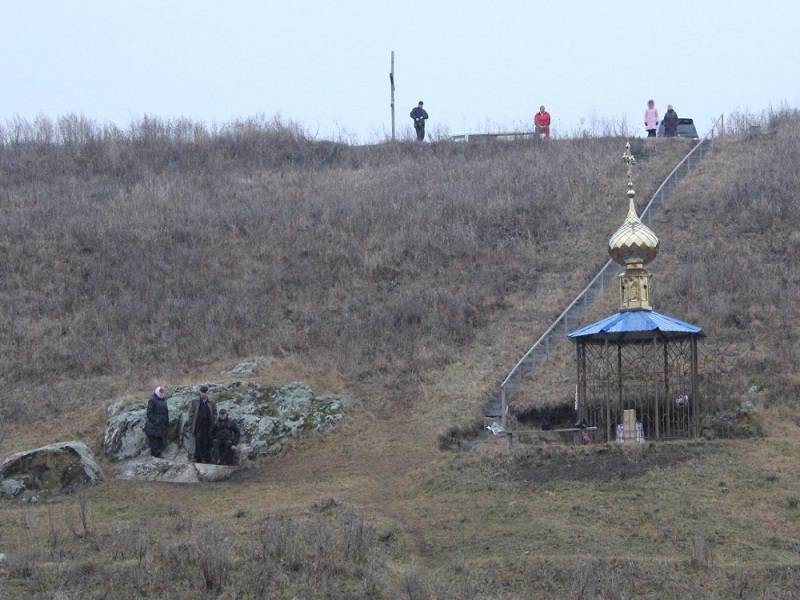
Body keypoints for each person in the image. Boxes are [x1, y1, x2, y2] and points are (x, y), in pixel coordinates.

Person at [186, 385, 217, 463]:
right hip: (198, 424)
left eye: (205, 393)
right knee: (198, 440)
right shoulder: (195, 402)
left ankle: (206, 458)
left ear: (207, 393)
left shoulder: (211, 402)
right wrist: (191, 425)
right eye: (202, 392)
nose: (203, 394)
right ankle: (197, 457)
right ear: (200, 393)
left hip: (208, 424)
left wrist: (214, 423)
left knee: (207, 441)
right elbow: (191, 414)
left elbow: (214, 413)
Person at [145, 386, 169, 458]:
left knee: (160, 442)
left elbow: (166, 413)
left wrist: (167, 422)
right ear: (157, 392)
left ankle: (158, 456)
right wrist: (156, 420)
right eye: (160, 392)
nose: (161, 394)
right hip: (153, 426)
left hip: (161, 426)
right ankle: (155, 458)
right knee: (154, 443)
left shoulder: (164, 401)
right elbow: (149, 413)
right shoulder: (152, 400)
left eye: (162, 393)